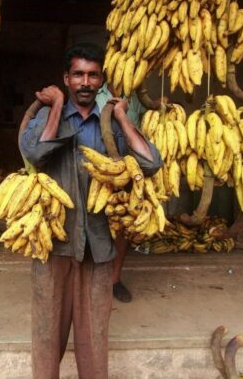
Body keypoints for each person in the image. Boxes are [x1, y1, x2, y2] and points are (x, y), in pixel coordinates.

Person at [19, 43, 162, 378]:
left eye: (92, 75)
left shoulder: (109, 124)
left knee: (95, 340)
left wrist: (124, 117)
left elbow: (151, 163)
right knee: (46, 338)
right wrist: (54, 107)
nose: (85, 82)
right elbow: (37, 155)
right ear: (66, 78)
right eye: (78, 74)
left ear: (101, 80)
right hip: (52, 245)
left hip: (98, 248)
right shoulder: (44, 117)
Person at [96, 84, 146, 303]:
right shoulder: (95, 93)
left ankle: (114, 280)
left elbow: (142, 128)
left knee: (123, 227)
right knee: (96, 222)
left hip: (129, 168)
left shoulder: (135, 97)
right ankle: (93, 280)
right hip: (99, 168)